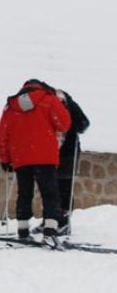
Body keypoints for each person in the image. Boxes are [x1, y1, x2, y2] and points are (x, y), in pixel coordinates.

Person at [0, 79, 71, 240]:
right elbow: (64, 124)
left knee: (24, 192)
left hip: (21, 156)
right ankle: (51, 229)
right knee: (50, 193)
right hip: (45, 156)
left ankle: (23, 229)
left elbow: (2, 134)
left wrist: (5, 159)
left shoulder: (11, 106)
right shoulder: (49, 99)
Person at [53, 89, 90, 234]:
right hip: (53, 152)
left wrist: (74, 126)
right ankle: (50, 219)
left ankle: (64, 222)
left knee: (64, 186)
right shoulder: (50, 104)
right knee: (51, 187)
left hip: (68, 152)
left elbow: (84, 124)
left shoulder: (71, 105)